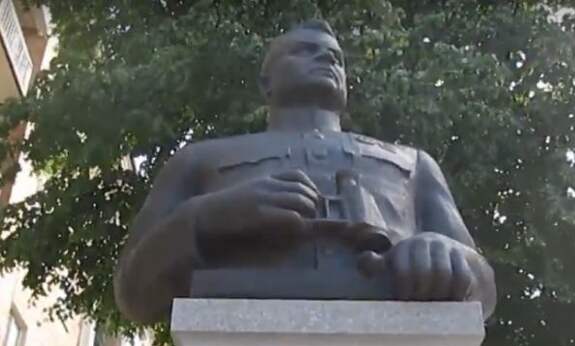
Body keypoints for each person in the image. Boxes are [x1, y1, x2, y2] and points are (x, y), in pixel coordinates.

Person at [114, 20, 496, 324]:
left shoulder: (414, 164)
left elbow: (484, 292)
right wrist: (206, 218)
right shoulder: (199, 160)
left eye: (336, 58)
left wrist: (447, 255)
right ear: (266, 82)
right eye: (305, 51)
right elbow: (133, 291)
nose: (327, 59)